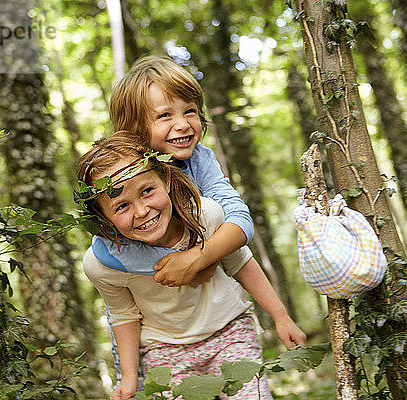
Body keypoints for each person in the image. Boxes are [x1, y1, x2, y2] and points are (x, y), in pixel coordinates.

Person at [77, 134, 306, 399]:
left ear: (166, 180)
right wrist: (129, 378)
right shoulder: (103, 264)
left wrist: (281, 316)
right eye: (122, 206)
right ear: (103, 218)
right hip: (165, 350)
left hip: (230, 333)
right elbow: (123, 315)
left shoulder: (206, 216)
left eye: (147, 191)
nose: (141, 211)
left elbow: (241, 262)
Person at [94, 54, 254, 286]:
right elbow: (105, 251)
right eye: (164, 115)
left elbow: (240, 219)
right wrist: (184, 265)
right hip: (152, 302)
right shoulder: (119, 173)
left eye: (190, 111)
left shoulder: (200, 159)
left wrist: (197, 259)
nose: (183, 125)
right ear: (133, 127)